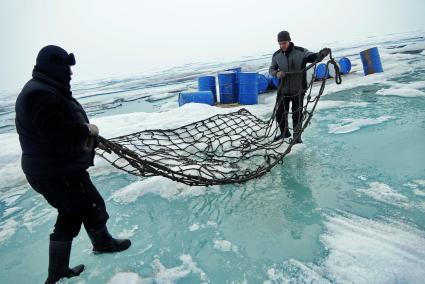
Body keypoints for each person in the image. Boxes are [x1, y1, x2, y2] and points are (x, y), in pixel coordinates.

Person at [15, 45, 131, 283]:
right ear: (54, 66)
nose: (70, 72)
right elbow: (56, 134)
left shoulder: (44, 88)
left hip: (54, 168)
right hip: (55, 170)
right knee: (89, 206)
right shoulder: (40, 94)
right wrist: (85, 130)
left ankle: (66, 266)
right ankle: (100, 245)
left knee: (72, 212)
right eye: (67, 66)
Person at [269, 31, 330, 143]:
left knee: (297, 114)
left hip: (298, 89)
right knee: (279, 114)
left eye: (284, 43)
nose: (282, 45)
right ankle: (284, 133)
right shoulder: (276, 55)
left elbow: (313, 57)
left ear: (289, 41)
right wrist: (277, 73)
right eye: (280, 43)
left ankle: (297, 137)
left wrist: (321, 54)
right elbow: (271, 69)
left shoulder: (301, 52)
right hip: (283, 90)